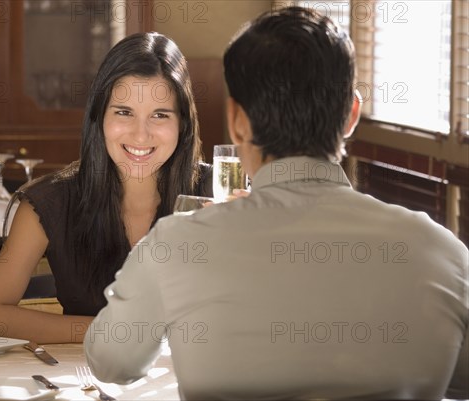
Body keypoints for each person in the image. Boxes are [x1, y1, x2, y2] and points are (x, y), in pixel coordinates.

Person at [84, 7, 468, 400]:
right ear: (352, 114)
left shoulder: (177, 245)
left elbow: (112, 362)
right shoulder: (445, 254)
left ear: (236, 120)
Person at [0, 32, 212, 344]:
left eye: (160, 115)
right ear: (99, 116)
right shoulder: (50, 204)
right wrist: (115, 330)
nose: (140, 135)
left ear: (183, 124)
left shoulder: (219, 195)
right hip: (84, 385)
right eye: (124, 112)